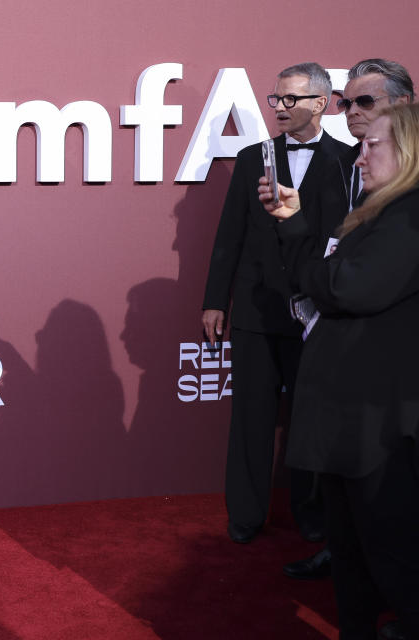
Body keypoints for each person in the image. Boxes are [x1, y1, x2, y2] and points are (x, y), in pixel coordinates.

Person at [260, 103, 419, 640]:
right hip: (349, 421)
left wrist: (320, 274)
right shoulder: (380, 214)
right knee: (351, 553)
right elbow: (326, 276)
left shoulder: (411, 215)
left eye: (373, 145)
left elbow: (346, 287)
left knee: (390, 553)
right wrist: (297, 225)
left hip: (378, 427)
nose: (360, 158)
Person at [202, 62, 350, 543]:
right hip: (254, 308)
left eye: (291, 100)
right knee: (249, 418)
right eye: (276, 99)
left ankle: (311, 520)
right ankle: (244, 516)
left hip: (315, 313)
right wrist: (214, 300)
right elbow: (229, 237)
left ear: (321, 104)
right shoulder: (252, 159)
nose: (280, 108)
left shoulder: (350, 162)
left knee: (307, 424)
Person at [283, 59, 414, 588]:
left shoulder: (408, 203)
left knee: (393, 539)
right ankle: (344, 556)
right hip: (348, 376)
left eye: (364, 102)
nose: (350, 113)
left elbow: (351, 284)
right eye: (345, 102)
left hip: (388, 397)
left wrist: (322, 279)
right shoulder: (354, 171)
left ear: (403, 110)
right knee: (359, 525)